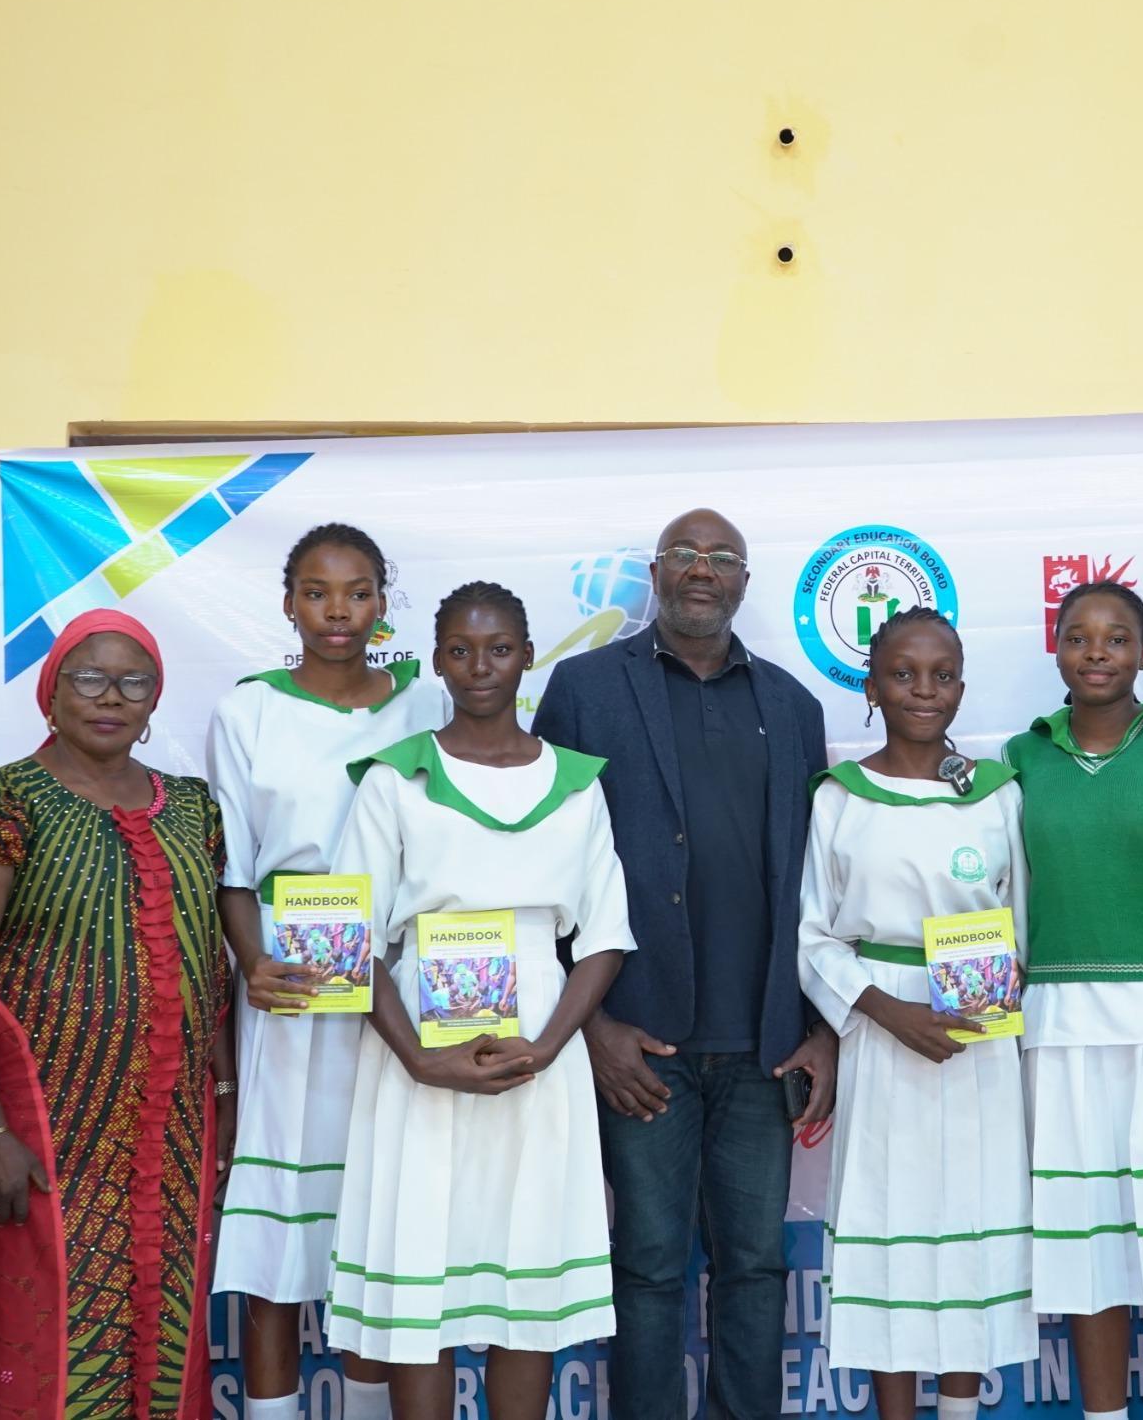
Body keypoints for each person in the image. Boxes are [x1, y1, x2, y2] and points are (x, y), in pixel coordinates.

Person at [531, 507, 837, 1420]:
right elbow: (541, 861)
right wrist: (591, 1026)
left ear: (744, 581)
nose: (702, 570)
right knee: (649, 1265)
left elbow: (821, 878)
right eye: (684, 555)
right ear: (656, 573)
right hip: (639, 1039)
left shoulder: (793, 705)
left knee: (755, 1265)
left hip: (763, 1045)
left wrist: (821, 1029)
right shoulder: (585, 689)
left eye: (722, 557)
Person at [323, 582, 634, 1420]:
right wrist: (419, 1060)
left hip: (540, 1043)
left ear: (528, 656)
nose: (480, 667)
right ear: (437, 661)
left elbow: (605, 936)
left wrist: (550, 1045)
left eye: (498, 649)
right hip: (418, 1049)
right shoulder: (395, 779)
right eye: (460, 651)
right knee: (422, 1280)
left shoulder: (576, 784)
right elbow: (346, 939)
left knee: (524, 1283)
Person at [0, 609, 230, 1420]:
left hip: (175, 1132)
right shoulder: (6, 798)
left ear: (155, 698)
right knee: (45, 1338)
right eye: (89, 677)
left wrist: (226, 1097)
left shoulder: (192, 808)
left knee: (165, 1331)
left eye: (134, 682)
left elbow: (211, 964)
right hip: (44, 1126)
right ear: (51, 691)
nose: (111, 697)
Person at [211, 523, 443, 1420]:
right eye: (316, 592)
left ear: (384, 601)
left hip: (403, 972)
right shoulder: (248, 711)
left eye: (357, 592)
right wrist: (253, 961)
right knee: (280, 1233)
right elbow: (233, 867)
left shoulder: (427, 703)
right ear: (288, 604)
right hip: (293, 977)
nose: (337, 611)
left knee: (373, 1228)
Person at [796, 606, 1038, 1419]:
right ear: (871, 688)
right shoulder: (840, 798)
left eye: (942, 676)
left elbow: (1024, 925)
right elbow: (813, 937)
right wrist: (888, 1012)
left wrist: (993, 1003)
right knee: (890, 1225)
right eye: (903, 675)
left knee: (972, 1224)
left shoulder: (997, 794)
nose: (924, 691)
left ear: (962, 688)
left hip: (978, 1043)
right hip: (880, 1034)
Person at [1005, 579, 1143, 1420]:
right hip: (1062, 1029)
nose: (1096, 651)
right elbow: (1010, 896)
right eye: (1078, 636)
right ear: (1055, 648)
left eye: (1116, 637)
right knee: (1085, 1248)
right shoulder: (1022, 758)